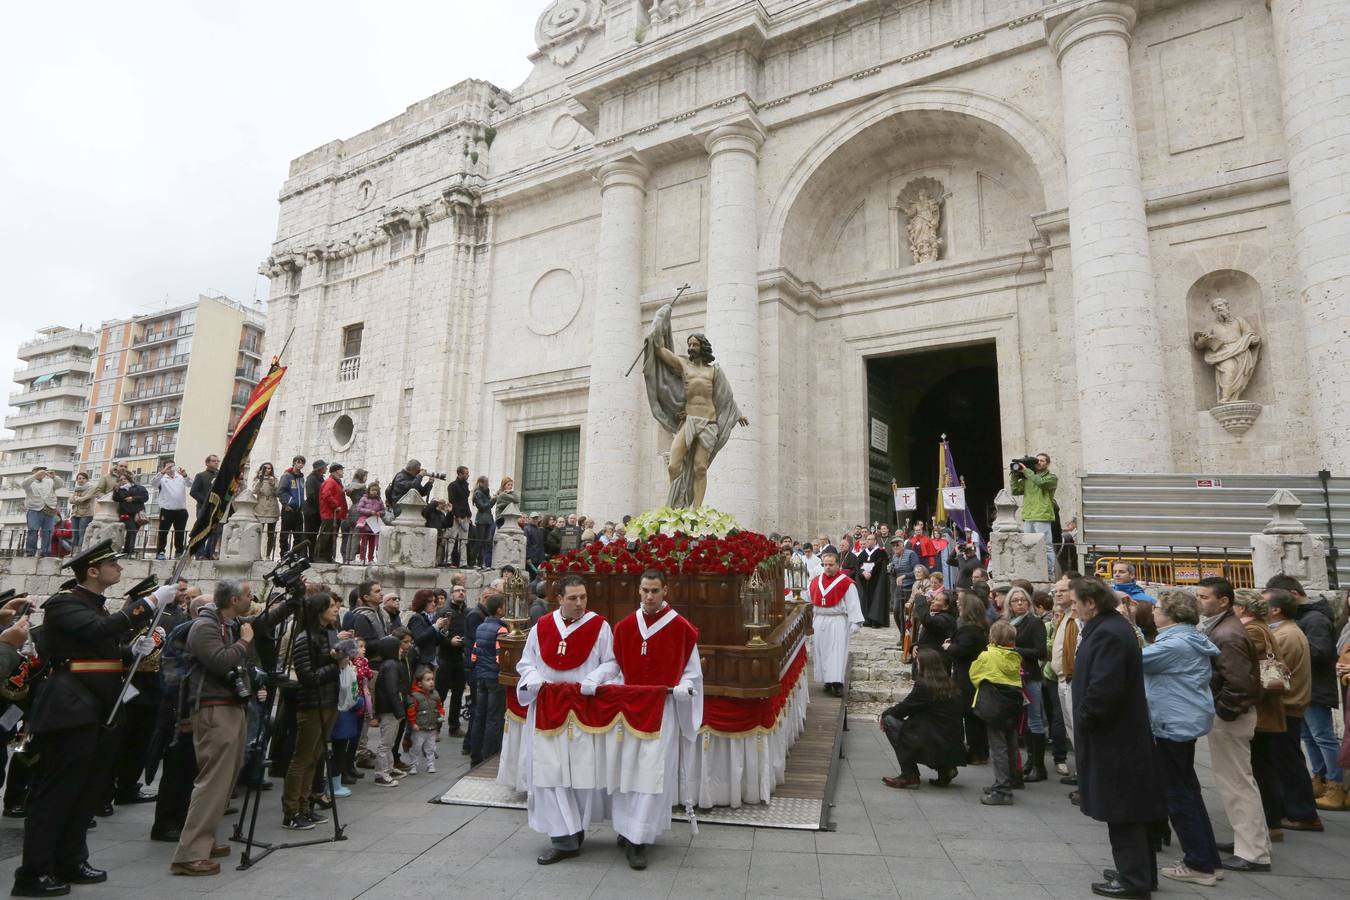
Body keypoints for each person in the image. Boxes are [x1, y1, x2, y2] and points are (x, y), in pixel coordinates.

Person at [13, 540, 164, 897]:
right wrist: (150, 603)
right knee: (56, 794)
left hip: (98, 711)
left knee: (86, 792)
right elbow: (98, 633)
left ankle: (70, 859)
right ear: (93, 571)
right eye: (113, 564)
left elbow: (103, 647)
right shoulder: (64, 604)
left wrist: (130, 651)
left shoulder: (96, 607)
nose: (120, 569)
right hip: (70, 711)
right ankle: (33, 872)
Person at [1068, 577, 1165, 900]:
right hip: (1117, 735)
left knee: (1123, 810)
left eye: (1075, 602)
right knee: (1126, 808)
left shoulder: (1109, 633)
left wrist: (1084, 718)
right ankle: (1137, 871)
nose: (1073, 607)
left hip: (1115, 738)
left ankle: (1134, 879)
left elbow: (1104, 688)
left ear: (1091, 603)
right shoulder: (1110, 629)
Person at [514, 574, 619, 864]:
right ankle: (562, 838)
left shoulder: (599, 626)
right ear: (558, 598)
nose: (579, 603)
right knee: (550, 773)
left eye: (583, 597)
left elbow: (611, 662)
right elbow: (526, 662)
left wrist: (594, 678)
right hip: (548, 708)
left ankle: (577, 827)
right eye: (572, 598)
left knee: (580, 772)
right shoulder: (542, 627)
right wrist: (533, 678)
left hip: (582, 709)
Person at [609, 570, 702, 870]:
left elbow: (692, 671)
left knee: (652, 772)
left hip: (662, 711)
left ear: (666, 591)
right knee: (627, 771)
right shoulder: (624, 627)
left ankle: (639, 838)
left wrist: (686, 686)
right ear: (638, 591)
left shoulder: (682, 629)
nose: (649, 596)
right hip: (629, 710)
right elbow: (616, 667)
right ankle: (625, 829)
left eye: (655, 591)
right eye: (645, 590)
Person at [169, 579, 260, 877]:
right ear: (234, 600)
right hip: (213, 707)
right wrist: (244, 642)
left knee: (226, 780)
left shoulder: (230, 624)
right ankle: (189, 853)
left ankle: (204, 841)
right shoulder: (205, 627)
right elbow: (221, 662)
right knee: (212, 781)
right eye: (247, 595)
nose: (251, 599)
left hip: (230, 706)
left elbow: (266, 618)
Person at [1141, 590, 1222, 887]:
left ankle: (1199, 862)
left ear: (1172, 614)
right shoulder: (1186, 638)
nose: (1153, 611)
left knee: (1179, 795)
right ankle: (1208, 858)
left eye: (1158, 607)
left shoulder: (1175, 643)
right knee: (1188, 789)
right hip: (1182, 721)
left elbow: (1136, 658)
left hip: (1172, 724)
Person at [1195, 576, 1270, 873]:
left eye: (1204, 597)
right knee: (1235, 781)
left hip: (1231, 717)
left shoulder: (1227, 633)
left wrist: (1224, 711)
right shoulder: (1224, 627)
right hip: (1230, 713)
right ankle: (1249, 841)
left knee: (1237, 782)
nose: (1199, 601)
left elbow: (1239, 683)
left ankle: (1253, 852)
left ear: (1223, 601)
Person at [1266, 574, 1345, 812]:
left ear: (1292, 595)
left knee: (1322, 736)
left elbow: (1321, 651)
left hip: (1315, 687)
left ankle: (1336, 784)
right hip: (1308, 686)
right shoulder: (1304, 618)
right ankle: (1320, 777)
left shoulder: (1315, 618)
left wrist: (1292, 650)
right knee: (1309, 737)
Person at [282, 589, 343, 830]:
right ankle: (291, 810)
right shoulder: (305, 638)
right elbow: (307, 676)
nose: (335, 609)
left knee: (315, 757)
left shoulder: (330, 634)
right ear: (319, 611)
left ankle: (305, 806)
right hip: (312, 702)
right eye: (330, 606)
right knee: (302, 758)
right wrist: (336, 666)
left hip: (329, 701)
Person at [1265, 588, 1324, 831]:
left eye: (1263, 603)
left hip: (1286, 706)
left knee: (1288, 762)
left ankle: (1303, 813)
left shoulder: (1285, 635)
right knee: (1285, 760)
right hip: (1287, 705)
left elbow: (1275, 672)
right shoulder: (1284, 632)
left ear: (1276, 609)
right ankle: (1293, 809)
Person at [880, 647, 966, 789]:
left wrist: (884, 714)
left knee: (890, 721)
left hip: (935, 742)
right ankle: (945, 770)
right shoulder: (950, 684)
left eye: (917, 663)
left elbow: (904, 708)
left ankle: (909, 774)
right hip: (952, 744)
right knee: (926, 726)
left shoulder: (924, 685)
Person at [970, 620, 1024, 806]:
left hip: (994, 705)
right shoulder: (1015, 657)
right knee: (1011, 742)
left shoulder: (987, 655)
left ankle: (1002, 788)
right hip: (1013, 703)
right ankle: (1010, 780)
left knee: (997, 746)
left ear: (992, 637)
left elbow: (974, 674)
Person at [1006, 586, 1049, 782]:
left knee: (1034, 719)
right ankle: (1029, 762)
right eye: (1015, 600)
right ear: (1010, 604)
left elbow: (1040, 651)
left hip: (1030, 676)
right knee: (1021, 721)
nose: (1020, 603)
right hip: (1011, 676)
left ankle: (1039, 766)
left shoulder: (1034, 623)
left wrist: (1016, 650)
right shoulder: (1007, 623)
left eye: (1023, 600)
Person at [808, 551, 863, 697]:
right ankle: (827, 680)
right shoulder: (815, 581)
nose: (827, 568)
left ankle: (837, 682)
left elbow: (853, 603)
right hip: (819, 619)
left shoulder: (846, 583)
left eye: (831, 565)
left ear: (838, 564)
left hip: (837, 620)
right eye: (825, 565)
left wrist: (855, 622)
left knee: (836, 652)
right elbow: (809, 600)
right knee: (821, 651)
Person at [945, 592, 990, 764]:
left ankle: (976, 752)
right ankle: (979, 751)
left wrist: (949, 646)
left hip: (967, 677)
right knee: (973, 717)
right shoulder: (979, 627)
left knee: (971, 716)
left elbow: (961, 650)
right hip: (972, 675)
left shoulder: (969, 630)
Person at [467, 596, 507, 766]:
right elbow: (500, 657)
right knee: (494, 718)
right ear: (498, 609)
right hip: (494, 678)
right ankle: (490, 756)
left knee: (479, 715)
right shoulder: (501, 630)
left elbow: (474, 653)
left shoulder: (482, 626)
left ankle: (475, 754)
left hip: (481, 675)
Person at [1010, 452, 1056, 580]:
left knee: (1046, 546)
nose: (1039, 463)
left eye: (1042, 461)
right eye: (1037, 460)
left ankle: (1049, 574)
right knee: (1027, 545)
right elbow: (1014, 490)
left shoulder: (1051, 477)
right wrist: (1014, 474)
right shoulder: (1028, 477)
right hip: (1029, 516)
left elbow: (1041, 482)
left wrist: (1026, 471)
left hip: (1042, 515)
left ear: (1047, 464)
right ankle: (1031, 572)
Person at [435, 584, 469, 737]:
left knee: (458, 693)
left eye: (463, 591)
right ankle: (435, 726)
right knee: (441, 694)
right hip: (446, 657)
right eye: (458, 591)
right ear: (451, 594)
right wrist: (450, 641)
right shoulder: (444, 612)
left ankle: (454, 725)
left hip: (460, 658)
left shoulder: (467, 612)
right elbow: (437, 636)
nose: (461, 593)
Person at [404, 668, 443, 775]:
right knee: (416, 747)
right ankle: (413, 765)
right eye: (428, 680)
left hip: (432, 727)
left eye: (432, 679)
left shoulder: (435, 694)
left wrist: (441, 716)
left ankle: (430, 764)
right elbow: (411, 711)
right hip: (419, 728)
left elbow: (439, 707)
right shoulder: (415, 696)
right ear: (420, 683)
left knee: (430, 748)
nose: (431, 682)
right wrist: (413, 723)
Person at [21, 466, 65, 558]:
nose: (41, 473)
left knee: (48, 531)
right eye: (38, 471)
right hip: (34, 509)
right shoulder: (30, 482)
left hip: (49, 509)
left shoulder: (50, 481)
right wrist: (35, 476)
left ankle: (46, 552)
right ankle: (30, 552)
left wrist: (54, 477)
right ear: (33, 472)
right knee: (33, 530)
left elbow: (60, 484)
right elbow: (23, 484)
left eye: (43, 471)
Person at [151, 462, 190, 560]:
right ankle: (160, 552)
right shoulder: (162, 479)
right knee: (163, 532)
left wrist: (185, 475)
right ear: (164, 467)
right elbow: (153, 483)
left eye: (172, 465)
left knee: (180, 532)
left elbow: (191, 484)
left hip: (181, 510)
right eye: (168, 466)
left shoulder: (180, 477)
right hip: (167, 510)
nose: (170, 468)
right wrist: (163, 472)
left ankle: (179, 552)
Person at [854, 532, 889, 627]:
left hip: (876, 580)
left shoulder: (881, 552)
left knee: (876, 599)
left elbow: (880, 565)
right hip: (864, 580)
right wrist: (863, 572)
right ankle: (867, 619)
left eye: (871, 539)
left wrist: (871, 573)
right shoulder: (863, 553)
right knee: (865, 598)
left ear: (875, 541)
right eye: (867, 539)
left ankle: (876, 620)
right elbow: (858, 565)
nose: (868, 541)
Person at [407, 589, 447, 671]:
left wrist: (443, 631)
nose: (433, 604)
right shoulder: (417, 617)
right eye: (430, 602)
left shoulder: (427, 617)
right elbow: (418, 639)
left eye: (433, 601)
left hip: (430, 660)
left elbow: (434, 642)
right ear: (422, 602)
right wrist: (435, 626)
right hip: (421, 661)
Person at [190, 455, 221, 559]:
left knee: (215, 531)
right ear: (207, 463)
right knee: (202, 530)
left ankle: (209, 553)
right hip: (203, 508)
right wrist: (206, 502)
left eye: (217, 461)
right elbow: (193, 492)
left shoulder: (221, 476)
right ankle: (200, 554)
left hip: (216, 509)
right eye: (213, 461)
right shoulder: (200, 475)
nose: (216, 463)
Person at [112, 472, 149, 557]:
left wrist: (133, 498)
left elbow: (145, 497)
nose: (123, 481)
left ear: (129, 479)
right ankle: (128, 551)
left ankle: (129, 550)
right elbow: (116, 499)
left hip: (137, 514)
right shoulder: (120, 489)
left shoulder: (139, 488)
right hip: (126, 514)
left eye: (124, 479)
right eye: (121, 480)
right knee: (132, 530)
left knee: (133, 532)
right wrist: (116, 490)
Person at [317, 463, 347, 563]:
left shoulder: (337, 483)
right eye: (341, 470)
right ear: (336, 471)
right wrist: (335, 505)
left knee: (332, 537)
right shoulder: (330, 482)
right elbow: (326, 495)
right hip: (329, 514)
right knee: (326, 536)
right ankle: (320, 557)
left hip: (336, 515)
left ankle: (329, 557)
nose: (343, 472)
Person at [276, 455, 307, 556]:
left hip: (298, 510)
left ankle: (295, 554)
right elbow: (280, 491)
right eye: (298, 462)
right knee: (285, 534)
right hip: (288, 510)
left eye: (302, 463)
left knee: (298, 535)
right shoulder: (287, 476)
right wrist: (286, 504)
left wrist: (302, 505)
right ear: (293, 463)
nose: (300, 464)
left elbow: (301, 493)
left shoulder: (302, 478)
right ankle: (284, 553)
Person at [252, 462, 280, 559]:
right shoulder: (257, 479)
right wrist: (260, 480)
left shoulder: (275, 479)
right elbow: (254, 491)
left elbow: (278, 493)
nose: (268, 470)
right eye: (265, 468)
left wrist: (273, 485)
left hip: (272, 506)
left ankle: (268, 555)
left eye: (269, 468)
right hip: (260, 506)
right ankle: (257, 554)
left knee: (271, 533)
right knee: (259, 531)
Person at [447, 466, 472, 568]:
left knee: (464, 540)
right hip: (456, 515)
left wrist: (468, 515)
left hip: (466, 515)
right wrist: (457, 516)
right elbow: (453, 502)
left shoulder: (466, 485)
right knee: (452, 538)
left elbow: (465, 501)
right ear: (460, 474)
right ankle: (447, 560)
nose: (468, 475)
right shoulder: (452, 486)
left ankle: (463, 562)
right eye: (466, 473)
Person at [354, 483, 385, 563]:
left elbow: (383, 510)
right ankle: (362, 558)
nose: (374, 492)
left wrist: (379, 513)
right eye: (372, 490)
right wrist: (369, 512)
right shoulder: (364, 498)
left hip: (374, 523)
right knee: (364, 542)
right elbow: (359, 508)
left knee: (372, 542)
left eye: (376, 490)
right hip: (365, 522)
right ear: (369, 490)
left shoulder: (379, 500)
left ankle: (370, 559)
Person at [470, 476, 493, 569]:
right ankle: (473, 561)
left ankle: (481, 562)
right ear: (480, 483)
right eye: (486, 483)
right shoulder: (477, 493)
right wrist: (492, 500)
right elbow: (482, 507)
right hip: (481, 520)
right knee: (479, 542)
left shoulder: (485, 493)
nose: (487, 485)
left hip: (487, 519)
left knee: (485, 542)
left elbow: (489, 506)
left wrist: (493, 499)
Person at [302, 460, 327, 545]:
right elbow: (310, 495)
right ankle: (304, 555)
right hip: (311, 511)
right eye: (324, 467)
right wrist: (320, 503)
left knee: (315, 534)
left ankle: (312, 555)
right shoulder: (311, 479)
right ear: (320, 468)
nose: (326, 468)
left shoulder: (321, 479)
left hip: (318, 511)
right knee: (309, 534)